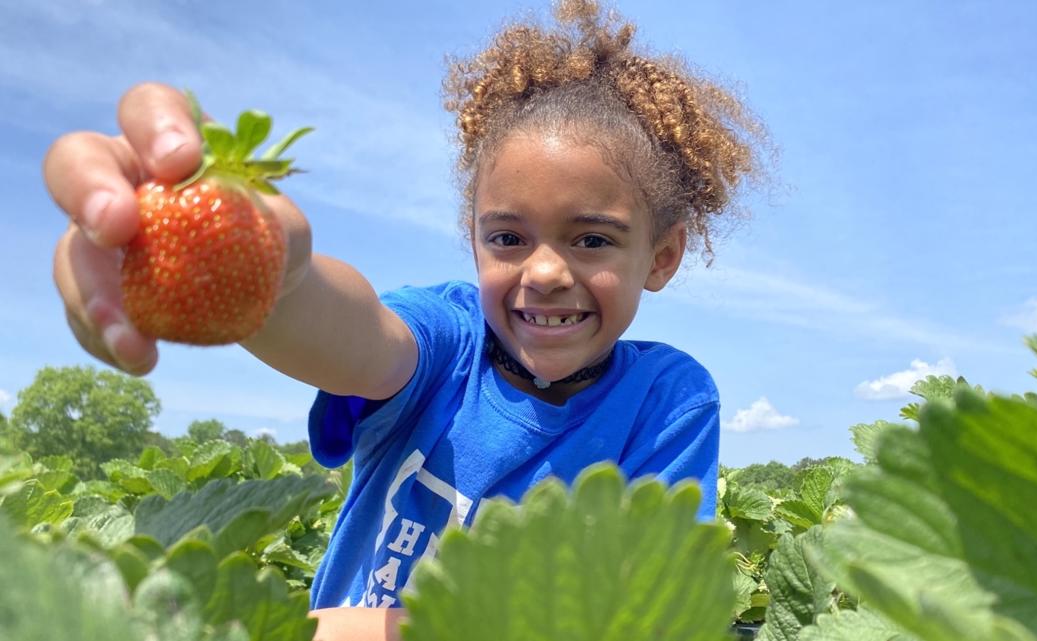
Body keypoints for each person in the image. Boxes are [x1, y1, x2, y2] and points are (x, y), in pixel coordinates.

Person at [42, 1, 771, 638]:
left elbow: (634, 616)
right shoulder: (450, 344)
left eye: (592, 238)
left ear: (663, 256)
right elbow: (353, 337)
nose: (545, 273)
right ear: (473, 236)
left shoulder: (669, 400)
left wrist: (351, 630)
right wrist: (270, 265)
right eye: (508, 237)